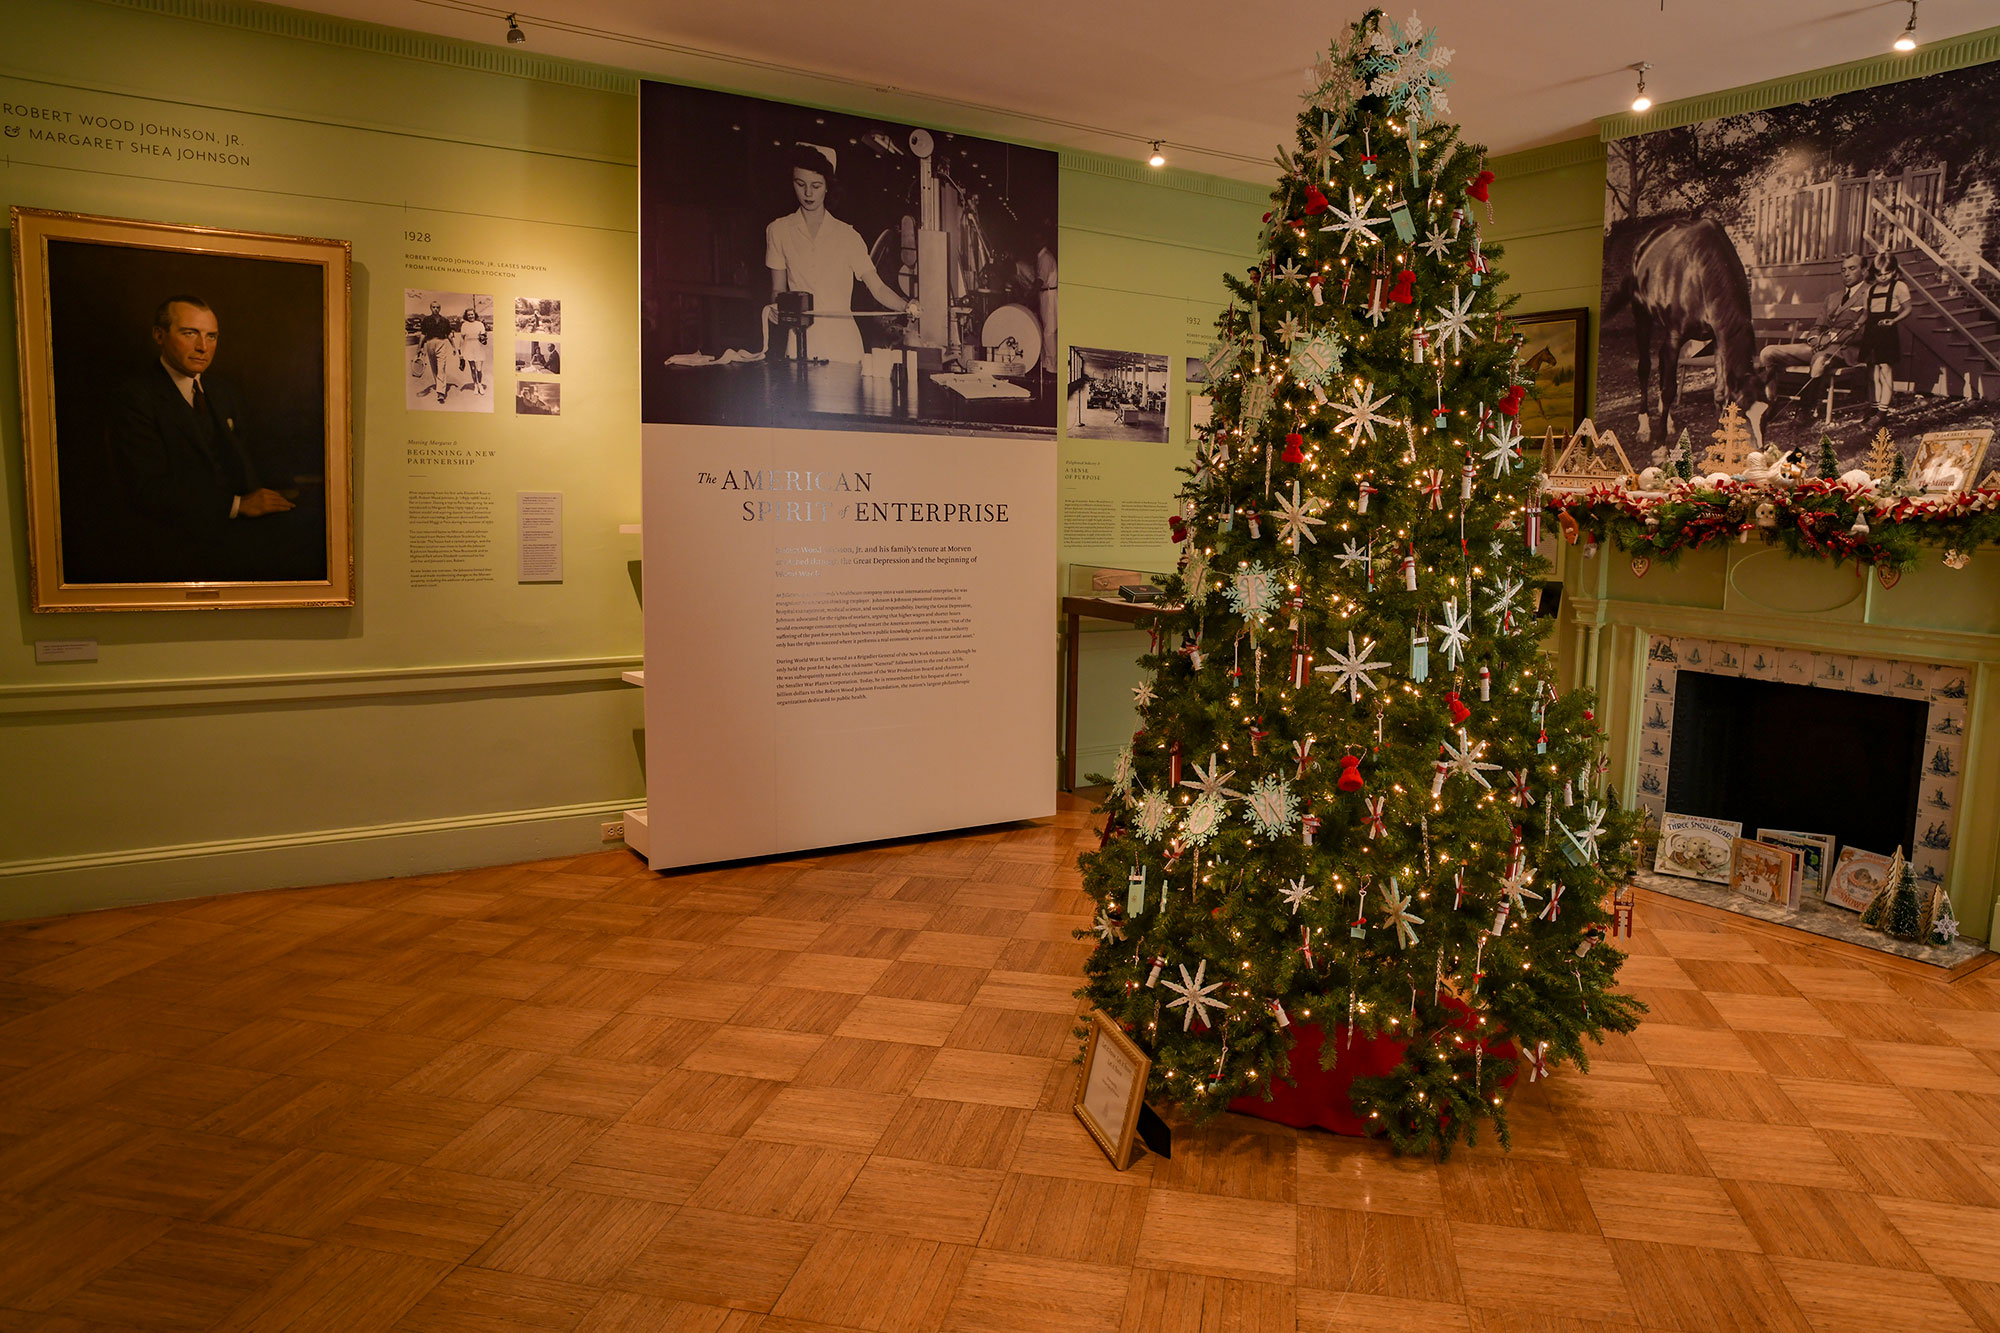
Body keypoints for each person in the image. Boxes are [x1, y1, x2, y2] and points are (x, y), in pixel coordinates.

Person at [106, 295, 298, 579]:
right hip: (173, 550)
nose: (203, 347)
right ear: (159, 335)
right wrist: (237, 505)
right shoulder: (135, 398)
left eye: (212, 336)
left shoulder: (223, 392)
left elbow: (246, 459)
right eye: (189, 333)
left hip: (240, 543)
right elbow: (146, 490)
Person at [766, 143, 919, 364]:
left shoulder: (848, 236)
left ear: (828, 186)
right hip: (799, 342)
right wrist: (776, 308)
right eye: (800, 184)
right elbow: (778, 289)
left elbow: (877, 287)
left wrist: (906, 306)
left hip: (843, 346)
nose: (808, 193)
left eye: (816, 185)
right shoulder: (778, 230)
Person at [1750, 251, 1866, 435]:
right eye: (1843, 270)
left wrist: (1830, 339)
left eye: (1852, 268)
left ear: (1864, 270)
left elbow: (1862, 331)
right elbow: (1818, 325)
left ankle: (1806, 409)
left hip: (1845, 350)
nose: (1846, 273)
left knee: (1819, 360)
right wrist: (1814, 338)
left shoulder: (1870, 295)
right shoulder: (1833, 297)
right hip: (1819, 346)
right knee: (1768, 352)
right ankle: (1770, 403)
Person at [1860, 249, 1911, 430]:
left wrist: (1894, 320)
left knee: (1885, 370)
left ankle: (1883, 413)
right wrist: (1857, 324)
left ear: (1895, 271)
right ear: (1874, 273)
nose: (1883, 277)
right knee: (1872, 372)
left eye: (1887, 273)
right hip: (1871, 330)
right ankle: (1874, 408)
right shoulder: (1870, 290)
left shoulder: (1899, 287)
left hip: (1887, 330)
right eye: (1879, 274)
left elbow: (1907, 309)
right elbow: (1866, 313)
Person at [417, 300, 457, 403]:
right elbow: (423, 334)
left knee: (441, 366)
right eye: (434, 307)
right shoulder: (426, 320)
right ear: (430, 308)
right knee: (434, 367)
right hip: (430, 343)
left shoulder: (445, 320)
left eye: (438, 307)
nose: (436, 309)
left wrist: (453, 346)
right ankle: (439, 385)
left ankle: (440, 393)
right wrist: (419, 347)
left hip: (441, 343)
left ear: (440, 308)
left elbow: (448, 334)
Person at [456, 305, 488, 397]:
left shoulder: (480, 324)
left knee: (479, 369)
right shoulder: (464, 325)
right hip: (469, 347)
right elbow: (462, 339)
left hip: (478, 347)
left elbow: (483, 337)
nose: (471, 316)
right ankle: (475, 385)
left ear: (475, 315)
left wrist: (484, 338)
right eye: (469, 315)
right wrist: (460, 350)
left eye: (472, 314)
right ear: (466, 316)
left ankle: (480, 384)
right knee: (473, 368)